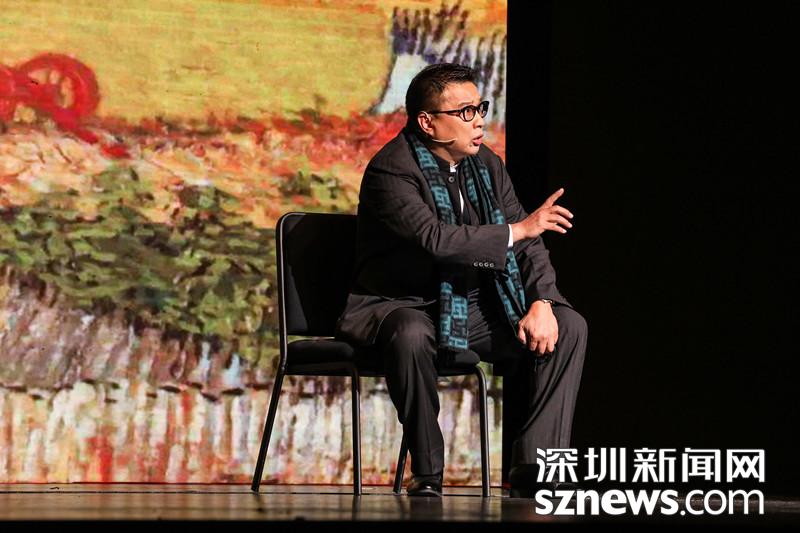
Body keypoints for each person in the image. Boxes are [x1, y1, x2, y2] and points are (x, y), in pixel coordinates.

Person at [335, 63, 587, 497]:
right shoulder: (392, 171)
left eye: (480, 108)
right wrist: (518, 230)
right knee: (411, 334)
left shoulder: (486, 165)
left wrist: (542, 301)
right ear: (427, 122)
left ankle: (536, 466)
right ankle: (427, 471)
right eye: (465, 112)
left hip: (469, 307)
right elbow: (435, 239)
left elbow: (528, 247)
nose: (478, 121)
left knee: (568, 326)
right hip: (404, 304)